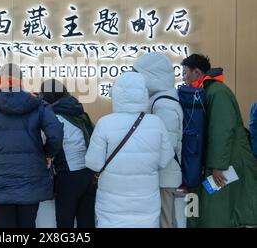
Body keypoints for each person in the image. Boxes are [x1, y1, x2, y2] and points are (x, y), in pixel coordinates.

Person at [0, 64, 63, 228]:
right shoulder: (36, 104)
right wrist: (48, 154)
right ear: (20, 81)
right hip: (30, 179)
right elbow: (55, 133)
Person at [85, 72, 174, 228]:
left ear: (117, 94)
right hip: (146, 199)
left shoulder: (104, 123)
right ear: (144, 94)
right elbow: (165, 159)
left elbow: (94, 164)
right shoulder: (156, 123)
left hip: (111, 200)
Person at [181, 54, 257, 227]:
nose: (183, 78)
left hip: (227, 160)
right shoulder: (207, 92)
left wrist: (217, 165)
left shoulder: (217, 92)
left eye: (185, 73)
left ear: (197, 72)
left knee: (218, 209)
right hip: (223, 158)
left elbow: (221, 131)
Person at [132, 52, 185, 228]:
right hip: (162, 173)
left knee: (164, 220)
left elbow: (166, 146)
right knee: (166, 219)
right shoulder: (160, 99)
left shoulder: (164, 104)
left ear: (151, 75)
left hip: (164, 174)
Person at [39, 79, 96, 228]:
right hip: (88, 173)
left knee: (65, 222)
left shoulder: (53, 117)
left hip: (69, 176)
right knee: (87, 221)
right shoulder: (79, 112)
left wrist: (48, 154)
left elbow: (49, 141)